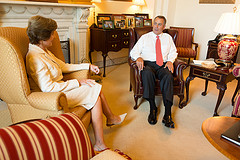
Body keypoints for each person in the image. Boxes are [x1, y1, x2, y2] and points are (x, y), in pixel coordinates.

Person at [26, 15, 127, 151]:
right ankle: (108, 124)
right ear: (42, 38)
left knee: (94, 91)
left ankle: (103, 135)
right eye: (51, 35)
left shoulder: (43, 51)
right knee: (94, 89)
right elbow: (48, 88)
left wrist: (88, 66)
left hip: (62, 89)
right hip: (54, 96)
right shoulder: (35, 58)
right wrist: (78, 82)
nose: (54, 37)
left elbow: (63, 66)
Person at [130, 15, 177, 128]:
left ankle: (167, 113)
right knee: (147, 73)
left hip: (162, 65)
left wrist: (170, 61)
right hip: (148, 64)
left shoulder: (168, 38)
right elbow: (134, 51)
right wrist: (138, 58)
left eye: (159, 24)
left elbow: (173, 52)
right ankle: (152, 108)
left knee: (168, 76)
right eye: (155, 23)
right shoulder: (145, 37)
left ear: (164, 26)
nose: (156, 26)